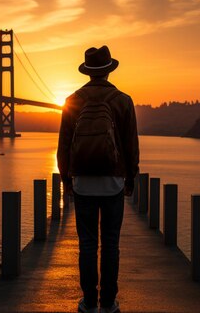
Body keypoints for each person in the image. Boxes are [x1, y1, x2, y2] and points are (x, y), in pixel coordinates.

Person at [57, 45, 139, 313]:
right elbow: (130, 144)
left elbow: (64, 145)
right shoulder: (123, 100)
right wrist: (130, 178)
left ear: (87, 71)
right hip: (113, 181)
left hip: (82, 182)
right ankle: (108, 303)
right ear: (108, 69)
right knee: (111, 244)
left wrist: (67, 182)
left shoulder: (71, 100)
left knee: (88, 244)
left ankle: (89, 302)